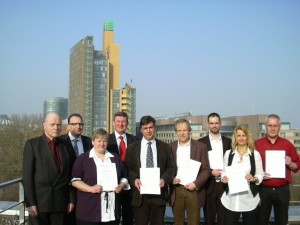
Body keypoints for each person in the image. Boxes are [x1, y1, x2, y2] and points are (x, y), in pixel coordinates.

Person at [22, 112, 75, 225]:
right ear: (44, 125)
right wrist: (31, 203)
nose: (56, 127)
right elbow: (27, 177)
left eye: (59, 124)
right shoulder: (32, 145)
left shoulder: (66, 145)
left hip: (61, 203)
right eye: (52, 124)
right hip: (40, 204)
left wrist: (71, 199)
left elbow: (71, 175)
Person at [125, 115, 176, 225]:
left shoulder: (165, 147)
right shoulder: (132, 148)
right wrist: (134, 180)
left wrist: (164, 179)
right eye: (145, 128)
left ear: (155, 128)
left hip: (159, 195)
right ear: (141, 130)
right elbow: (128, 169)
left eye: (151, 127)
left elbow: (171, 168)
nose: (148, 131)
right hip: (140, 196)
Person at [71, 128, 129, 225]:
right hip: (89, 211)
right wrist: (91, 189)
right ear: (93, 142)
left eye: (105, 141)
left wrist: (121, 186)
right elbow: (75, 180)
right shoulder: (83, 159)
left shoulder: (115, 158)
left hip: (112, 211)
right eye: (99, 141)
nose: (102, 144)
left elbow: (125, 177)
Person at [255, 114, 300, 225]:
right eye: (270, 125)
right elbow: (251, 165)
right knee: (261, 220)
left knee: (281, 221)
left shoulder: (287, 145)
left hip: (282, 190)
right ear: (266, 126)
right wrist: (259, 174)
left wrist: (291, 163)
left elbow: (297, 165)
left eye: (275, 125)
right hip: (263, 189)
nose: (272, 128)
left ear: (279, 127)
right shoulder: (257, 144)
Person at [170, 118, 210, 225]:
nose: (182, 133)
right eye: (179, 130)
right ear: (176, 132)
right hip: (177, 190)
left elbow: (206, 170)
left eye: (184, 130)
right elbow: (167, 169)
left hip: (194, 190)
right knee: (178, 222)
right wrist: (171, 179)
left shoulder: (201, 147)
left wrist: (196, 184)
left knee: (194, 222)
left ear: (189, 131)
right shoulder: (170, 147)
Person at [221, 125, 264, 225]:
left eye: (243, 135)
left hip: (249, 199)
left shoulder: (255, 154)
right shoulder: (228, 154)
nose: (241, 138)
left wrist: (254, 178)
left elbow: (260, 173)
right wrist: (224, 177)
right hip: (231, 199)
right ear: (235, 138)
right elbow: (224, 171)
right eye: (238, 135)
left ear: (248, 137)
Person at [198, 112, 232, 225]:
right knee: (209, 220)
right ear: (208, 124)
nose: (214, 125)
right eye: (212, 123)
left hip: (225, 185)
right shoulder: (201, 143)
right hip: (208, 185)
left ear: (220, 124)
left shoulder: (229, 142)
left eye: (217, 123)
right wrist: (211, 171)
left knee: (224, 220)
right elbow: (198, 165)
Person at [107, 112, 139, 225]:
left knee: (129, 217)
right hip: (113, 185)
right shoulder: (105, 140)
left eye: (123, 122)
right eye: (118, 121)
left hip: (131, 185)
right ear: (113, 123)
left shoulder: (136, 140)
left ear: (127, 123)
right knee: (113, 217)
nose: (121, 124)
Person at [60, 113, 93, 225]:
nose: (78, 126)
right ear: (68, 126)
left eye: (80, 124)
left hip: (86, 189)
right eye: (74, 124)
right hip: (66, 190)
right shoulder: (60, 142)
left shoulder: (89, 141)